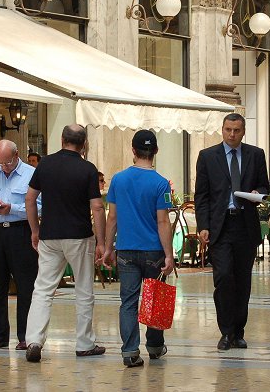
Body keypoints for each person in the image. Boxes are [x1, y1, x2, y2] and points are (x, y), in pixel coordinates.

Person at [24, 124, 106, 362]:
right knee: (83, 289)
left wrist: (34, 230)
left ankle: (34, 340)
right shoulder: (88, 169)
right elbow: (97, 207)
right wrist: (100, 241)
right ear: (83, 144)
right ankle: (84, 343)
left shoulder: (45, 164)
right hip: (79, 235)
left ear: (61, 139)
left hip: (49, 235)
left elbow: (30, 199)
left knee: (43, 289)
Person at [195, 113, 269, 351]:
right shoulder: (207, 157)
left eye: (237, 130)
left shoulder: (256, 155)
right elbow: (202, 195)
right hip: (220, 225)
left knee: (242, 282)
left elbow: (264, 186)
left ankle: (238, 331)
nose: (232, 134)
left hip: (245, 225)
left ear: (243, 131)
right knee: (224, 278)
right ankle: (225, 331)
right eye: (228, 130)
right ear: (222, 130)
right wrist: (203, 225)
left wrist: (257, 193)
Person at [101, 130, 175, 367]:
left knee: (129, 301)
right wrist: (169, 255)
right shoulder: (161, 183)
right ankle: (154, 346)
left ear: (133, 150)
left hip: (126, 249)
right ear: (155, 151)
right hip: (154, 251)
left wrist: (108, 247)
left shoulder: (118, 180)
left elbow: (112, 217)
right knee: (155, 298)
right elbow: (163, 221)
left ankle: (130, 351)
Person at [0, 140, 40, 351]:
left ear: (17, 155)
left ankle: (25, 335)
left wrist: (12, 208)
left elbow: (40, 208)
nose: (4, 166)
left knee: (25, 285)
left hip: (21, 231)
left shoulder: (31, 174)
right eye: (0, 162)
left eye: (8, 162)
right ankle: (0, 335)